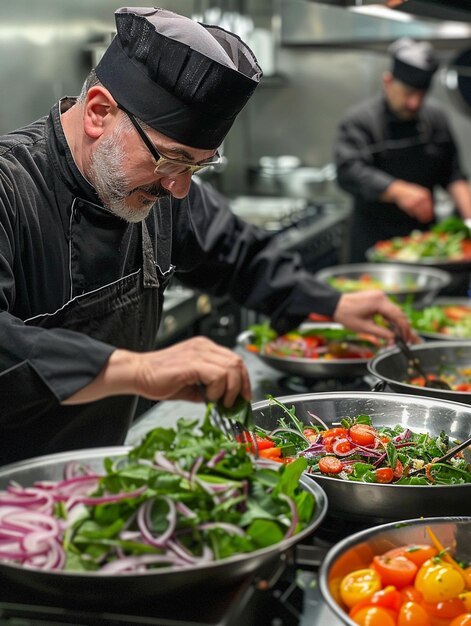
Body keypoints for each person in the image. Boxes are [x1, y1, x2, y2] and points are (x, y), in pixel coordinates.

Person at [0, 7, 413, 466]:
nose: (178, 187)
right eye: (171, 160)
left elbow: (237, 252)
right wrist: (139, 368)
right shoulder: (9, 187)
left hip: (91, 483)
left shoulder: (161, 188)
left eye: (196, 167)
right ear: (100, 111)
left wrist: (332, 303)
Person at [334, 37, 471, 263]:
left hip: (425, 243)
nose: (414, 103)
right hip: (373, 241)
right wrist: (399, 191)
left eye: (421, 94)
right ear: (387, 82)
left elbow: (453, 173)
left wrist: (469, 221)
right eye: (408, 93)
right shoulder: (359, 121)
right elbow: (348, 171)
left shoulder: (436, 118)